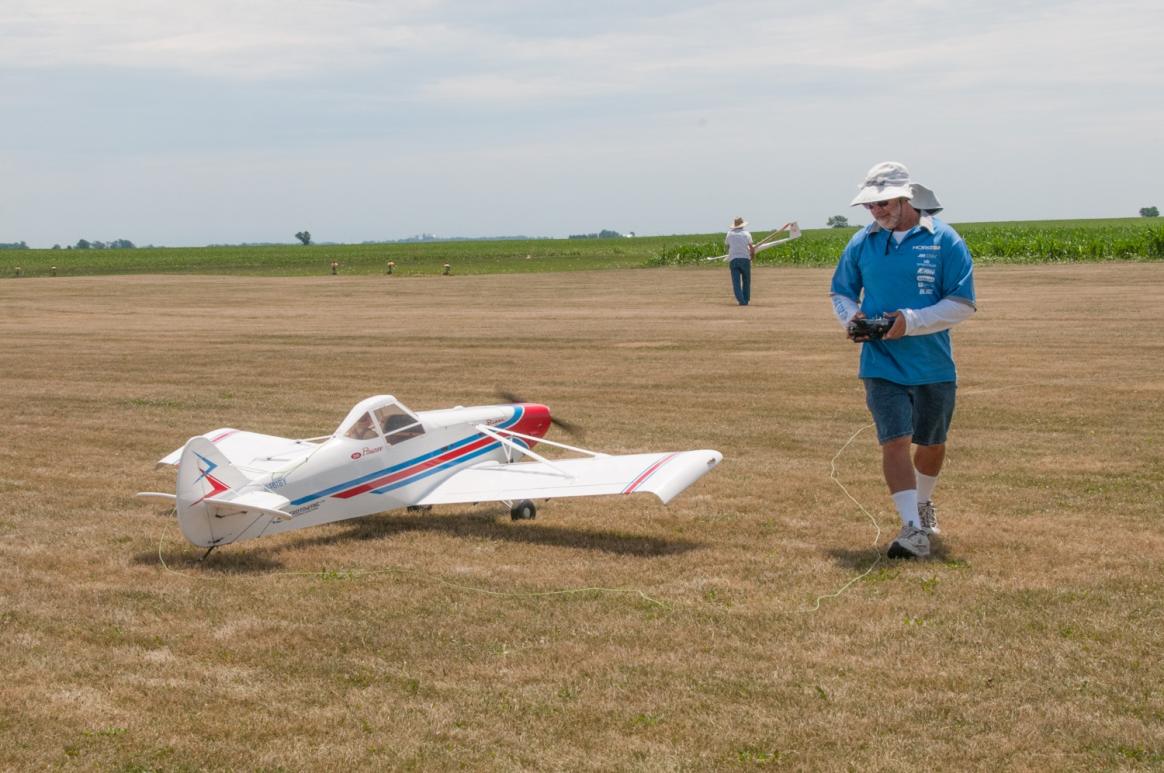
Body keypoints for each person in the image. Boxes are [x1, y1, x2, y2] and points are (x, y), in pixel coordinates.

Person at [829, 162, 976, 559]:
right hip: (880, 363)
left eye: (883, 203)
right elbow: (840, 292)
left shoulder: (945, 240)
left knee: (932, 443)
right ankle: (911, 527)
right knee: (894, 441)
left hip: (932, 364)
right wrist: (852, 318)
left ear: (905, 198)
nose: (876, 211)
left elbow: (962, 304)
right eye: (870, 205)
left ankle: (924, 503)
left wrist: (909, 322)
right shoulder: (862, 242)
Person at [725, 216, 755, 305]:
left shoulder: (729, 234)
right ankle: (746, 299)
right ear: (742, 225)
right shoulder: (746, 234)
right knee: (746, 281)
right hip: (745, 259)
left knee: (736, 282)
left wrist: (730, 254)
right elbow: (751, 248)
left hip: (733, 260)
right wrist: (752, 256)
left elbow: (727, 247)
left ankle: (741, 301)